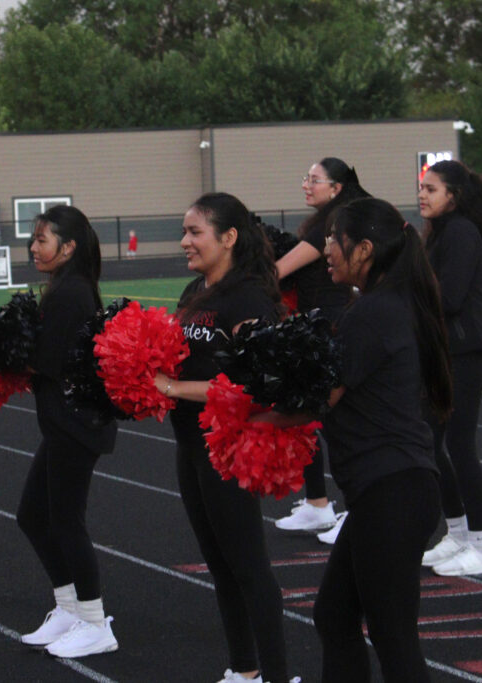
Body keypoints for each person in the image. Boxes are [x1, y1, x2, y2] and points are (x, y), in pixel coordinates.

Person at [262, 197, 450, 681]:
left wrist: (249, 418)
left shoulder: (373, 312)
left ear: (364, 249)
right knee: (335, 615)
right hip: (387, 492)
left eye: (333, 238)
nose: (324, 247)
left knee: (392, 637)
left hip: (394, 492)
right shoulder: (378, 306)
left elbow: (317, 397)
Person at [153, 193, 293, 683]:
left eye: (195, 232)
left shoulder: (249, 297)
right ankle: (244, 670)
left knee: (249, 566)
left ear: (228, 237)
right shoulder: (195, 291)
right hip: (190, 444)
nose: (185, 241)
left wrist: (172, 387)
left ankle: (276, 675)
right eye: (185, 231)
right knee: (220, 565)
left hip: (229, 448)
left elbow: (256, 385)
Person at [16, 205, 119, 659]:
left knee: (64, 521)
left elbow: (48, 361)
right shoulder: (65, 288)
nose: (34, 247)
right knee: (33, 515)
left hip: (76, 424)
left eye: (42, 239)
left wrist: (3, 353)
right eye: (34, 240)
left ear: (69, 246)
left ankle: (95, 623)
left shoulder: (71, 294)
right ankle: (68, 606)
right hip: (64, 423)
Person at [273, 157, 368, 543]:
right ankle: (317, 504)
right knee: (310, 416)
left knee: (336, 420)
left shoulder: (336, 222)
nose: (306, 185)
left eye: (314, 180)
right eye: (305, 178)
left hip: (331, 326)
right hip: (313, 327)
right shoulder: (322, 222)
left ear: (337, 188)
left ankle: (357, 509)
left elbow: (279, 270)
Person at [418, 159, 482, 577]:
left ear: (453, 195)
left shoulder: (462, 233)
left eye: (431, 189)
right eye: (422, 187)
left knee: (459, 444)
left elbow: (449, 298)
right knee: (431, 443)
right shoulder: (439, 233)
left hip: (466, 351)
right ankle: (456, 533)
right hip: (445, 351)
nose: (422, 194)